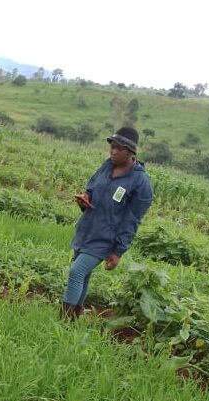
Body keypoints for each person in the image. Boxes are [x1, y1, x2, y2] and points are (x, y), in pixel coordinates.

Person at [61, 126, 153, 319]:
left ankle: (63, 320)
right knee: (83, 276)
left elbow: (133, 220)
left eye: (119, 149)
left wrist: (118, 250)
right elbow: (92, 190)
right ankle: (73, 320)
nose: (114, 151)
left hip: (106, 238)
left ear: (130, 152)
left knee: (76, 272)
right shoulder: (106, 166)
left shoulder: (140, 182)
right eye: (112, 146)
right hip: (87, 230)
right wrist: (84, 199)